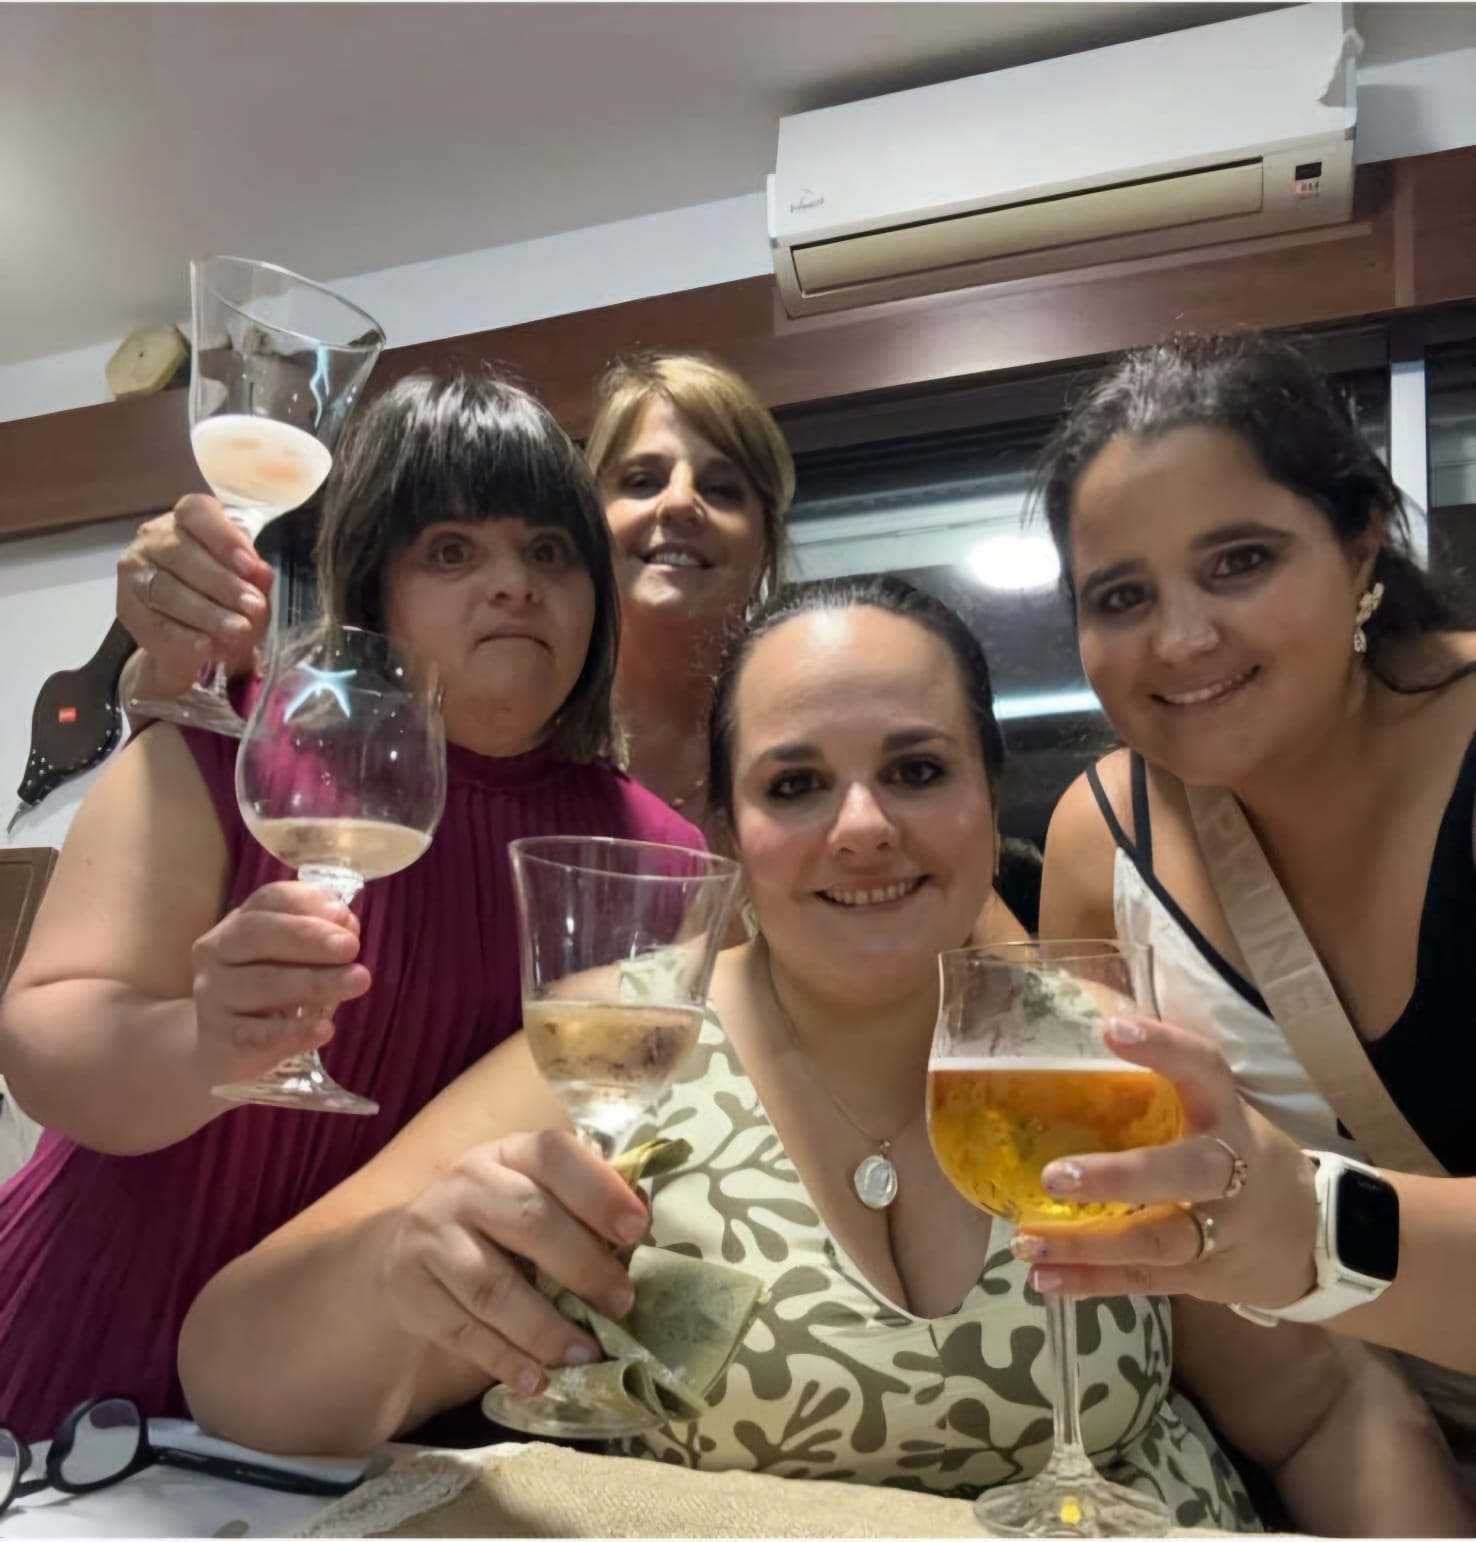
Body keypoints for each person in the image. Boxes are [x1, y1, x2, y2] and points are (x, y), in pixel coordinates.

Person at [177, 577, 1470, 1535]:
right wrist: (396, 1281)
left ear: (988, 798)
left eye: (917, 769)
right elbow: (235, 1370)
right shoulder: (624, 1041)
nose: (862, 827)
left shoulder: (1089, 1055)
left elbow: (1328, 1409)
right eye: (795, 785)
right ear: (729, 828)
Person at [0, 371, 702, 1440]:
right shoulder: (235, 747)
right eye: (451, 551)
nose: (514, 585)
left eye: (550, 552)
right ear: (375, 587)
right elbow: (44, 1048)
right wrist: (206, 1042)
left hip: (388, 1416)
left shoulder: (662, 860)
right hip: (80, 1366)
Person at [1019, 337, 1476, 1419]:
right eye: (1122, 596)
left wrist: (1302, 1222)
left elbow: (1263, 1228)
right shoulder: (1101, 838)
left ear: (1361, 543)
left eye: (1239, 562)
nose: (1181, 639)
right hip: (1342, 1446)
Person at [116, 351, 790, 827]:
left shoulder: (796, 727)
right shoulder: (447, 711)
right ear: (591, 523)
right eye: (641, 480)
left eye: (724, 489)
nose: (681, 504)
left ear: (766, 542)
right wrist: (166, 672)